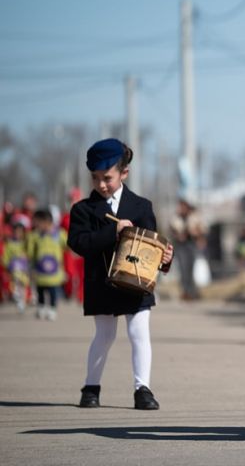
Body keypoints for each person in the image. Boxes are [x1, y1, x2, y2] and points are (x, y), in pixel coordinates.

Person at [67, 138, 173, 410]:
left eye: (107, 177)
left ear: (124, 173)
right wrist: (111, 232)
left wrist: (164, 259)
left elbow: (152, 247)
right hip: (101, 283)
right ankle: (91, 388)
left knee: (139, 332)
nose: (101, 184)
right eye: (95, 178)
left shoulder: (141, 207)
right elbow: (79, 244)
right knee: (104, 335)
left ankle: (143, 389)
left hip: (137, 283)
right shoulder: (83, 210)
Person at [28, 209, 67, 320]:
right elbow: (30, 252)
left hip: (54, 271)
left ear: (47, 221)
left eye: (38, 223)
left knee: (53, 290)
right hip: (40, 270)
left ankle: (52, 309)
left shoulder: (59, 234)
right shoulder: (35, 236)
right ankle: (41, 307)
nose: (37, 225)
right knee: (40, 289)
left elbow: (68, 245)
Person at [2, 220, 29, 312]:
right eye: (16, 232)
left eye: (20, 232)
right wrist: (6, 264)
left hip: (24, 269)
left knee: (23, 285)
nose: (18, 234)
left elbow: (30, 253)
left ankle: (22, 301)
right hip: (14, 269)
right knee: (15, 283)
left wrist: (26, 257)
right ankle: (16, 296)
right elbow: (5, 256)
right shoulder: (10, 244)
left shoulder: (25, 243)